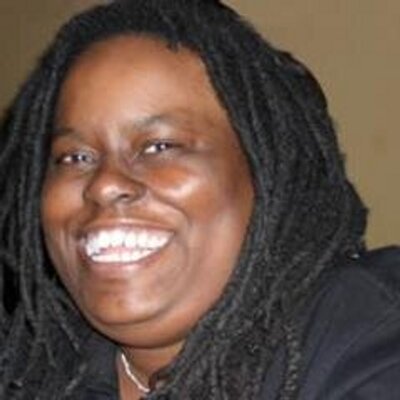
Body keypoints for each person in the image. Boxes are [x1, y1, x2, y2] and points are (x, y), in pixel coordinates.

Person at [1, 1, 399, 399]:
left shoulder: (368, 341)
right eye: (74, 157)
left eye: (159, 146)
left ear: (266, 172)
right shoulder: (36, 366)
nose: (104, 185)